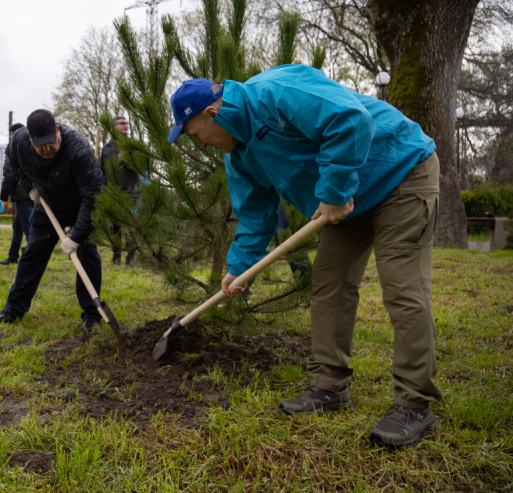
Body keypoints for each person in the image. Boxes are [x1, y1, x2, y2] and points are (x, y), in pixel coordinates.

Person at [167, 66, 440, 448]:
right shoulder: (239, 154)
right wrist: (239, 270)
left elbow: (350, 119)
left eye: (195, 135)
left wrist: (332, 190)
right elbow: (255, 215)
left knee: (402, 288)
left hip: (400, 168)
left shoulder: (274, 91)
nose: (201, 145)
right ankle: (330, 386)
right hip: (346, 201)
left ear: (212, 113)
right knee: (329, 288)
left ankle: (414, 403)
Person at [0, 109, 105, 333]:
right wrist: (30, 187)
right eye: (40, 144)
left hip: (79, 206)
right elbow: (13, 164)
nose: (47, 149)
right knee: (33, 252)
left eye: (51, 142)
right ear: (30, 139)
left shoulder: (78, 150)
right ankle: (13, 309)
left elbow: (93, 196)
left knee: (87, 255)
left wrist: (76, 235)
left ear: (57, 130)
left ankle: (92, 315)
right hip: (46, 204)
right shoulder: (19, 142)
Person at [100, 115, 139, 266]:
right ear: (114, 127)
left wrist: (129, 159)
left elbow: (141, 165)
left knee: (129, 225)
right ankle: (116, 256)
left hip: (130, 191)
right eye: (122, 123)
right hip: (113, 192)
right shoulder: (107, 147)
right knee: (115, 225)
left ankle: (130, 258)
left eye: (126, 123)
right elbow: (102, 171)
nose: (125, 126)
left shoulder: (131, 145)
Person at [0, 123, 33, 266]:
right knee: (18, 227)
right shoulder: (29, 147)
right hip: (30, 192)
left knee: (29, 229)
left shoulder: (13, 149)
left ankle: (34, 260)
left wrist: (4, 197)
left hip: (22, 195)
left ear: (12, 134)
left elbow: (9, 175)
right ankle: (12, 257)